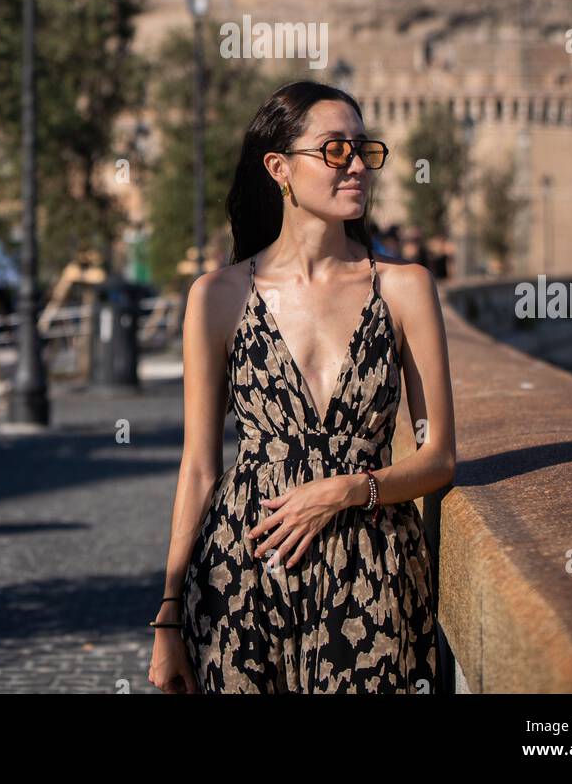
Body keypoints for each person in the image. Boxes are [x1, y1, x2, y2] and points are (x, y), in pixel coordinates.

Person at [148, 79, 456, 694]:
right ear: (279, 168)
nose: (356, 167)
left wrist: (347, 490)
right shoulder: (218, 297)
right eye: (334, 150)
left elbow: (439, 459)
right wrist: (169, 617)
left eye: (363, 150)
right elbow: (200, 467)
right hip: (240, 575)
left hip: (372, 578)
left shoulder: (405, 288)